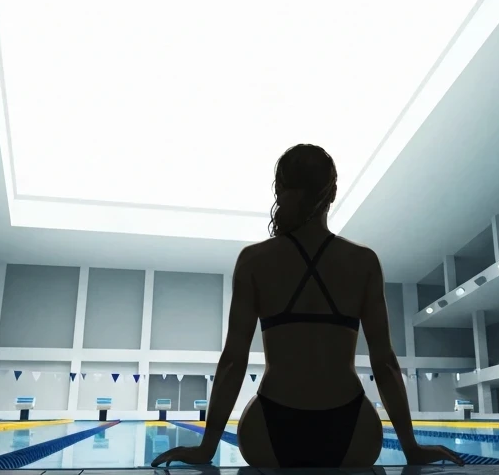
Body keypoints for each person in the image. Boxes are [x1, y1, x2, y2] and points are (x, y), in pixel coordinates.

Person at [151, 144, 464, 468]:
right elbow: (384, 363)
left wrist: (206, 448)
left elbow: (233, 361)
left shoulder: (254, 261)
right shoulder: (363, 263)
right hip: (355, 430)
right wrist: (411, 447)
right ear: (332, 194)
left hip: (268, 429)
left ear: (279, 189)